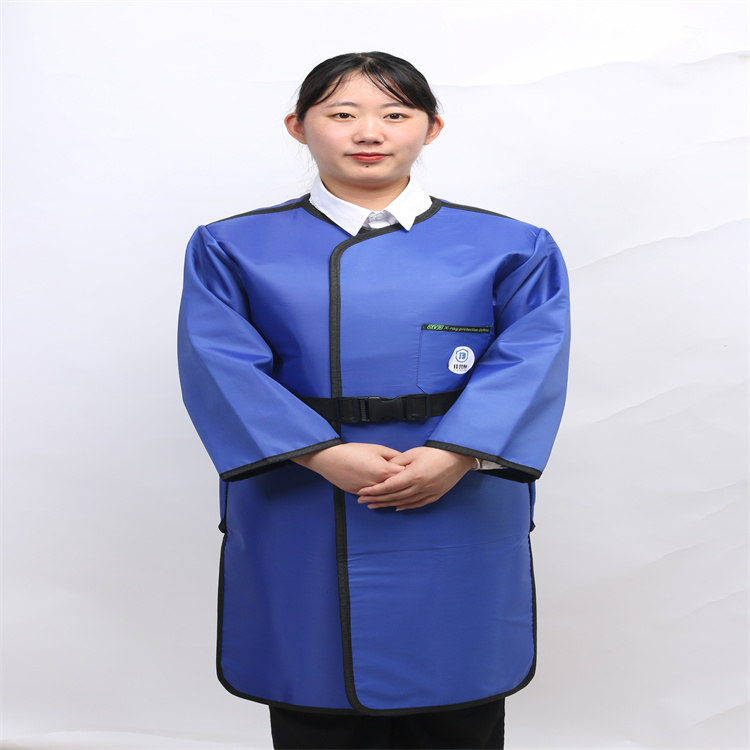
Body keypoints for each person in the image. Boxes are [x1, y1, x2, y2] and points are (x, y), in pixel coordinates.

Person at [178, 51, 570, 750]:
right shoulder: (231, 246)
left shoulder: (512, 246)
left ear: (431, 128)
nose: (369, 132)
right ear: (298, 126)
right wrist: (322, 453)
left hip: (457, 492)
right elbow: (219, 365)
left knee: (457, 697)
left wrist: (456, 453)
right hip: (302, 494)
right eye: (342, 113)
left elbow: (532, 359)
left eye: (395, 113)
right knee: (315, 690)